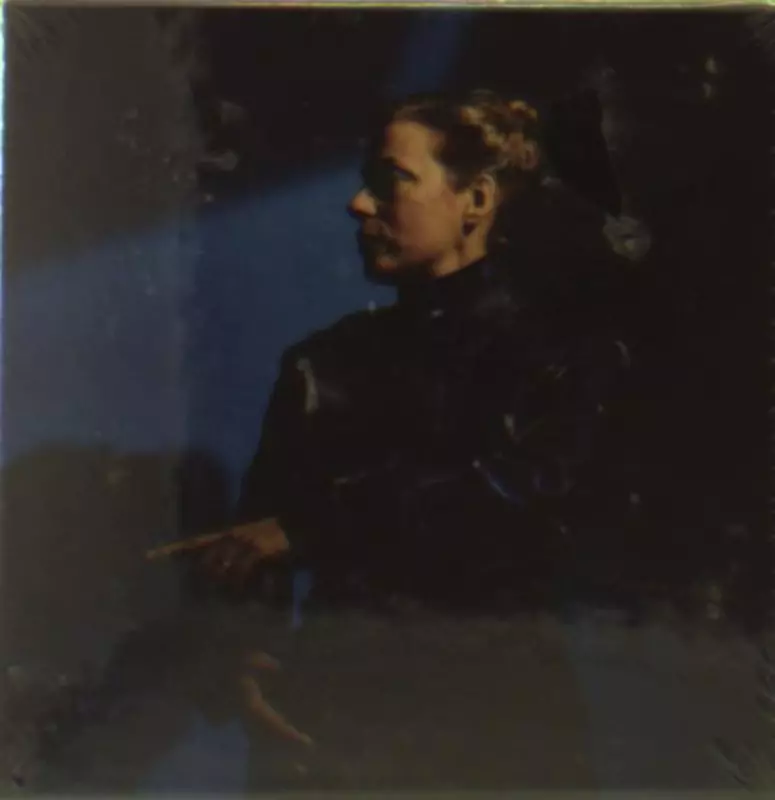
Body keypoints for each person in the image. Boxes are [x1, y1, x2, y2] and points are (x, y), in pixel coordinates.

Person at [199, 89, 637, 612]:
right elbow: (254, 555)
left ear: (477, 200)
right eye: (366, 182)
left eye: (391, 181)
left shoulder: (565, 356)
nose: (359, 204)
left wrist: (313, 526)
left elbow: (524, 506)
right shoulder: (321, 368)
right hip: (336, 662)